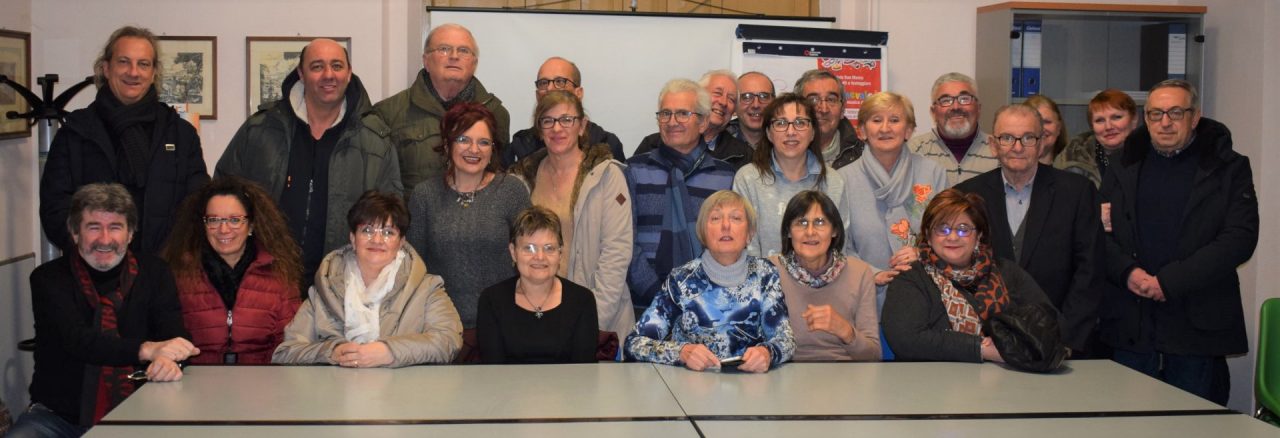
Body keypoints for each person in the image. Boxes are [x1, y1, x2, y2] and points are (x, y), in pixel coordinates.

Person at [1100, 80, 1258, 406]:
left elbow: (1240, 238)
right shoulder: (1123, 165)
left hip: (1197, 319)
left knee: (1191, 424)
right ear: (1146, 117)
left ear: (1195, 117)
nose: (1165, 122)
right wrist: (1128, 272)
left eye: (1176, 112)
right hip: (1132, 319)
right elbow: (1098, 233)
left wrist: (1169, 282)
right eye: (1156, 114)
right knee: (1127, 424)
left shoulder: (1228, 167)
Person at [217, 38, 401, 291]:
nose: (328, 75)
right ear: (301, 74)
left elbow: (392, 214)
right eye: (317, 67)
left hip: (345, 283)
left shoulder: (375, 141)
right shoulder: (260, 130)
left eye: (336, 66)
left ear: (349, 73)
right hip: (263, 280)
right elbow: (224, 192)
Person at [16, 183, 196, 435]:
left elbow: (174, 334)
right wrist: (148, 349)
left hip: (143, 412)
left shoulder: (155, 272)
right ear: (75, 232)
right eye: (93, 227)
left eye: (115, 227)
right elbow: (79, 341)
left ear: (130, 233)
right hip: (57, 419)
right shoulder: (48, 278)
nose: (104, 239)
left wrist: (169, 359)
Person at [40, 26, 209, 256]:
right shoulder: (76, 133)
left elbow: (198, 206)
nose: (133, 72)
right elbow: (55, 209)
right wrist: (100, 251)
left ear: (153, 73)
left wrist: (172, 258)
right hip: (94, 274)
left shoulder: (181, 134)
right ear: (106, 68)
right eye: (123, 62)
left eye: (143, 64)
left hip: (164, 274)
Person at [954, 104, 1105, 356]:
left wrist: (1067, 339)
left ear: (1042, 142)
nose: (1017, 147)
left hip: (1062, 341)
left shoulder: (1077, 192)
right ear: (993, 144)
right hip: (988, 342)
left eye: (1028, 138)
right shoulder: (967, 195)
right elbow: (958, 268)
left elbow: (1090, 270)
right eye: (1007, 138)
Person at [273, 191, 463, 367]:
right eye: (367, 231)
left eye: (388, 232)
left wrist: (390, 351)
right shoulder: (323, 289)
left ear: (402, 242)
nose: (377, 240)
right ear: (353, 239)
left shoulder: (427, 288)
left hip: (405, 396)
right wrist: (331, 353)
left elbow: (449, 341)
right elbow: (286, 352)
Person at [624, 190, 794, 372]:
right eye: (715, 219)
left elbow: (785, 340)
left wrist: (768, 353)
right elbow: (634, 343)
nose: (726, 226)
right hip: (692, 388)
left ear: (750, 233)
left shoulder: (765, 274)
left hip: (753, 387)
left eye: (736, 218)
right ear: (703, 233)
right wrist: (681, 352)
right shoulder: (681, 280)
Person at [509, 91, 634, 338]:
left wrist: (593, 322)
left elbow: (616, 253)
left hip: (594, 315)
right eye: (548, 120)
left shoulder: (606, 176)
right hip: (537, 312)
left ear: (582, 125)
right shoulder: (523, 178)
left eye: (567, 119)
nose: (557, 128)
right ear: (540, 129)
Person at [881, 188, 1053, 363]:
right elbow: (906, 339)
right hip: (930, 383)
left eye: (963, 229)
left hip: (1008, 380)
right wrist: (981, 348)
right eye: (943, 229)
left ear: (978, 235)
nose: (953, 237)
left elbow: (1051, 322)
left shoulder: (1007, 272)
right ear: (928, 235)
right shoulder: (911, 277)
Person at [407, 102, 530, 332]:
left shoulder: (511, 191)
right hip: (440, 327)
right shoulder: (424, 195)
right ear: (446, 145)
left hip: (505, 323)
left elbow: (530, 258)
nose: (474, 150)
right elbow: (414, 270)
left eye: (484, 142)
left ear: (493, 149)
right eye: (463, 140)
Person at [162, 176, 303, 364]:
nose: (224, 229)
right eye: (213, 220)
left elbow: (291, 346)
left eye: (235, 220)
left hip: (263, 384)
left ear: (251, 224)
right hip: (195, 383)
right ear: (203, 225)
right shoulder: (178, 275)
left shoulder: (280, 276)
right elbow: (165, 342)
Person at [624, 79, 736, 314]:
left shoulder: (725, 177)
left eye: (683, 114)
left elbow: (730, 244)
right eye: (665, 113)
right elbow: (625, 241)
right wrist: (658, 294)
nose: (672, 122)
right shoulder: (634, 170)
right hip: (643, 306)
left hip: (707, 307)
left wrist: (699, 295)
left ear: (704, 122)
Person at [375, 23, 512, 193]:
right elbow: (382, 185)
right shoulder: (388, 113)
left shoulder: (496, 113)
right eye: (444, 49)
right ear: (426, 60)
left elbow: (498, 183)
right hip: (413, 218)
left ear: (474, 63)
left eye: (463, 51)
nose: (454, 56)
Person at [476, 206, 600, 364]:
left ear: (560, 253)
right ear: (513, 252)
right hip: (507, 388)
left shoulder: (582, 300)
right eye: (529, 248)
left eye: (549, 248)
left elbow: (584, 370)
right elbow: (493, 371)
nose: (540, 257)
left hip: (569, 388)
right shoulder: (491, 301)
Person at [733, 93, 848, 258]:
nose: (791, 131)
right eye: (780, 123)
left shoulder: (832, 181)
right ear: (768, 133)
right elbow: (746, 246)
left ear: (813, 132)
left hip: (822, 280)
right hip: (764, 281)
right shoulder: (748, 178)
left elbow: (839, 247)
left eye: (800, 123)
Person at [769, 191, 879, 361]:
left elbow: (872, 355)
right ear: (789, 232)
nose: (810, 232)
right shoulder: (769, 271)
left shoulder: (860, 272)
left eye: (820, 222)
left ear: (834, 230)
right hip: (785, 373)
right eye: (801, 222)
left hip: (845, 376)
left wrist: (845, 330)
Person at [502, 56, 624, 166]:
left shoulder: (606, 145)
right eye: (543, 83)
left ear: (579, 93)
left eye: (560, 82)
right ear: (537, 95)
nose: (549, 88)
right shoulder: (521, 146)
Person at [634, 70, 753, 168]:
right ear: (698, 96)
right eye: (717, 93)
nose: (723, 102)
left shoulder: (743, 156)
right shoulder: (652, 145)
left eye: (731, 99)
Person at [908, 72, 998, 185]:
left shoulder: (999, 150)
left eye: (964, 99)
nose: (956, 107)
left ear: (978, 108)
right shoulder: (914, 151)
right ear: (933, 112)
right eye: (946, 100)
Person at [1055, 89, 1139, 188]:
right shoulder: (1072, 161)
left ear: (1134, 120)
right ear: (1092, 126)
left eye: (1116, 117)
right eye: (1100, 120)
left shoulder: (1151, 157)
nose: (1108, 127)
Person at [795, 69, 864, 169]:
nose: (823, 109)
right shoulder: (780, 154)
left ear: (842, 110)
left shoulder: (862, 155)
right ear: (796, 107)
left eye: (831, 99)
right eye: (813, 100)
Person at [725, 71, 774, 149]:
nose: (756, 105)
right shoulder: (718, 140)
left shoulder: (786, 139)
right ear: (735, 104)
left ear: (774, 103)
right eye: (746, 97)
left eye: (764, 96)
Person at [1024, 94, 1068, 165]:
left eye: (1047, 122)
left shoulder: (1072, 168)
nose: (1040, 128)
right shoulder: (1007, 170)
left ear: (1059, 128)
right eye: (1034, 122)